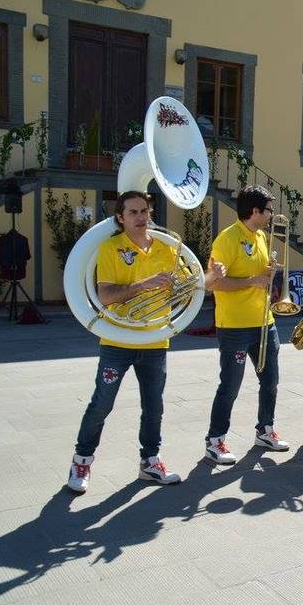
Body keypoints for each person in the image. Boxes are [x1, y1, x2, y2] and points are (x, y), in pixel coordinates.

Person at [67, 191, 224, 493]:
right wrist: (144, 285)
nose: (141, 217)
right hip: (117, 340)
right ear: (120, 218)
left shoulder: (167, 248)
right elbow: (105, 296)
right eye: (134, 212)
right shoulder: (111, 247)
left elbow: (193, 287)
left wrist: (213, 277)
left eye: (145, 211)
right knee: (102, 404)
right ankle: (81, 460)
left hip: (155, 340)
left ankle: (150, 461)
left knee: (154, 407)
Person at [204, 185, 289, 465]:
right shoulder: (226, 240)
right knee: (230, 385)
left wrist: (266, 275)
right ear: (254, 211)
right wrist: (252, 281)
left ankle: (265, 430)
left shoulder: (262, 236)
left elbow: (258, 276)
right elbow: (214, 284)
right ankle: (215, 440)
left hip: (265, 321)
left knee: (271, 381)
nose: (271, 214)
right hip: (235, 326)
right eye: (267, 210)